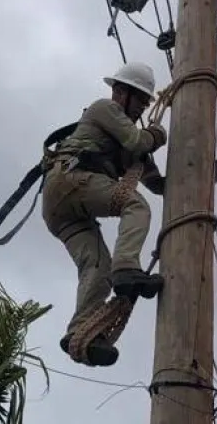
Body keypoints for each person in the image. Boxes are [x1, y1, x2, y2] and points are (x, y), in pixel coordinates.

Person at [41, 61, 168, 367]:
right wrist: (157, 135)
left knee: (97, 268)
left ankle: (80, 335)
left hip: (63, 209)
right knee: (135, 206)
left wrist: (201, 175)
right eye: (137, 98)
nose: (140, 107)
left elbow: (156, 183)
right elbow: (139, 140)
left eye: (144, 101)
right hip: (70, 180)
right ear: (119, 91)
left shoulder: (126, 138)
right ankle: (127, 267)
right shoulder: (104, 109)